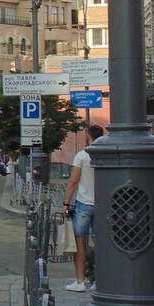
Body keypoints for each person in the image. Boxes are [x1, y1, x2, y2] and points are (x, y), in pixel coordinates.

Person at [63, 125, 105, 292]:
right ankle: (99, 281)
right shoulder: (105, 155)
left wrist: (66, 203)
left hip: (83, 204)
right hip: (101, 205)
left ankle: (80, 282)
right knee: (100, 244)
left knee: (80, 244)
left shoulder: (82, 155)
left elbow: (73, 182)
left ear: (88, 136)